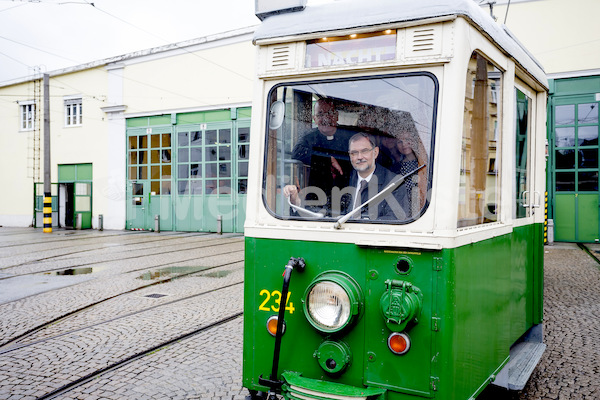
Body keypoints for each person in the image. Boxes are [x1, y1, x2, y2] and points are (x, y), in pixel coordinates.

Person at [290, 98, 353, 205]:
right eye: (320, 114)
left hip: (348, 193)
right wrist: (328, 159)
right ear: (314, 118)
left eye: (329, 113)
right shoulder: (309, 137)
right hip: (317, 196)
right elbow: (296, 153)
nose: (325, 117)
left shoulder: (349, 134)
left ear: (336, 116)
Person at [343, 132, 408, 220]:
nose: (359, 157)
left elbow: (395, 219)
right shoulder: (343, 179)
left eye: (364, 151)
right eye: (354, 153)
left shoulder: (395, 184)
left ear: (375, 152)